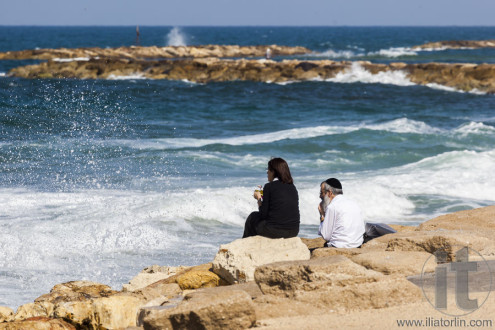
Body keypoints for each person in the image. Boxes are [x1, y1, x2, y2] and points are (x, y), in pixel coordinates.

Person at [243, 158, 300, 239]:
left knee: (253, 217)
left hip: (275, 231)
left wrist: (259, 198)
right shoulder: (292, 187)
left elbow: (263, 214)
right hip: (294, 231)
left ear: (274, 172)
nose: (267, 172)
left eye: (269, 169)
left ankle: (246, 244)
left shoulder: (269, 186)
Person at [318, 178, 364, 248]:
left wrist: (322, 214)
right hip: (357, 244)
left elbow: (325, 236)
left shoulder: (332, 207)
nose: (320, 196)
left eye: (322, 193)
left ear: (330, 193)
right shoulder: (354, 203)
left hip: (341, 246)